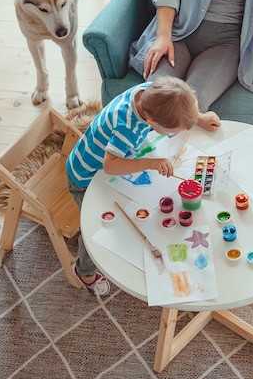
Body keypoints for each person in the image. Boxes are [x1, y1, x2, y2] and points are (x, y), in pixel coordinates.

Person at [67, 76, 220, 296]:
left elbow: (178, 104)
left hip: (114, 161)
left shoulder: (153, 93)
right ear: (151, 123)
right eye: (172, 132)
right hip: (86, 177)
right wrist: (150, 163)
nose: (174, 135)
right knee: (98, 230)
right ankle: (84, 271)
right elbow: (110, 166)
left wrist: (198, 118)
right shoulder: (126, 128)